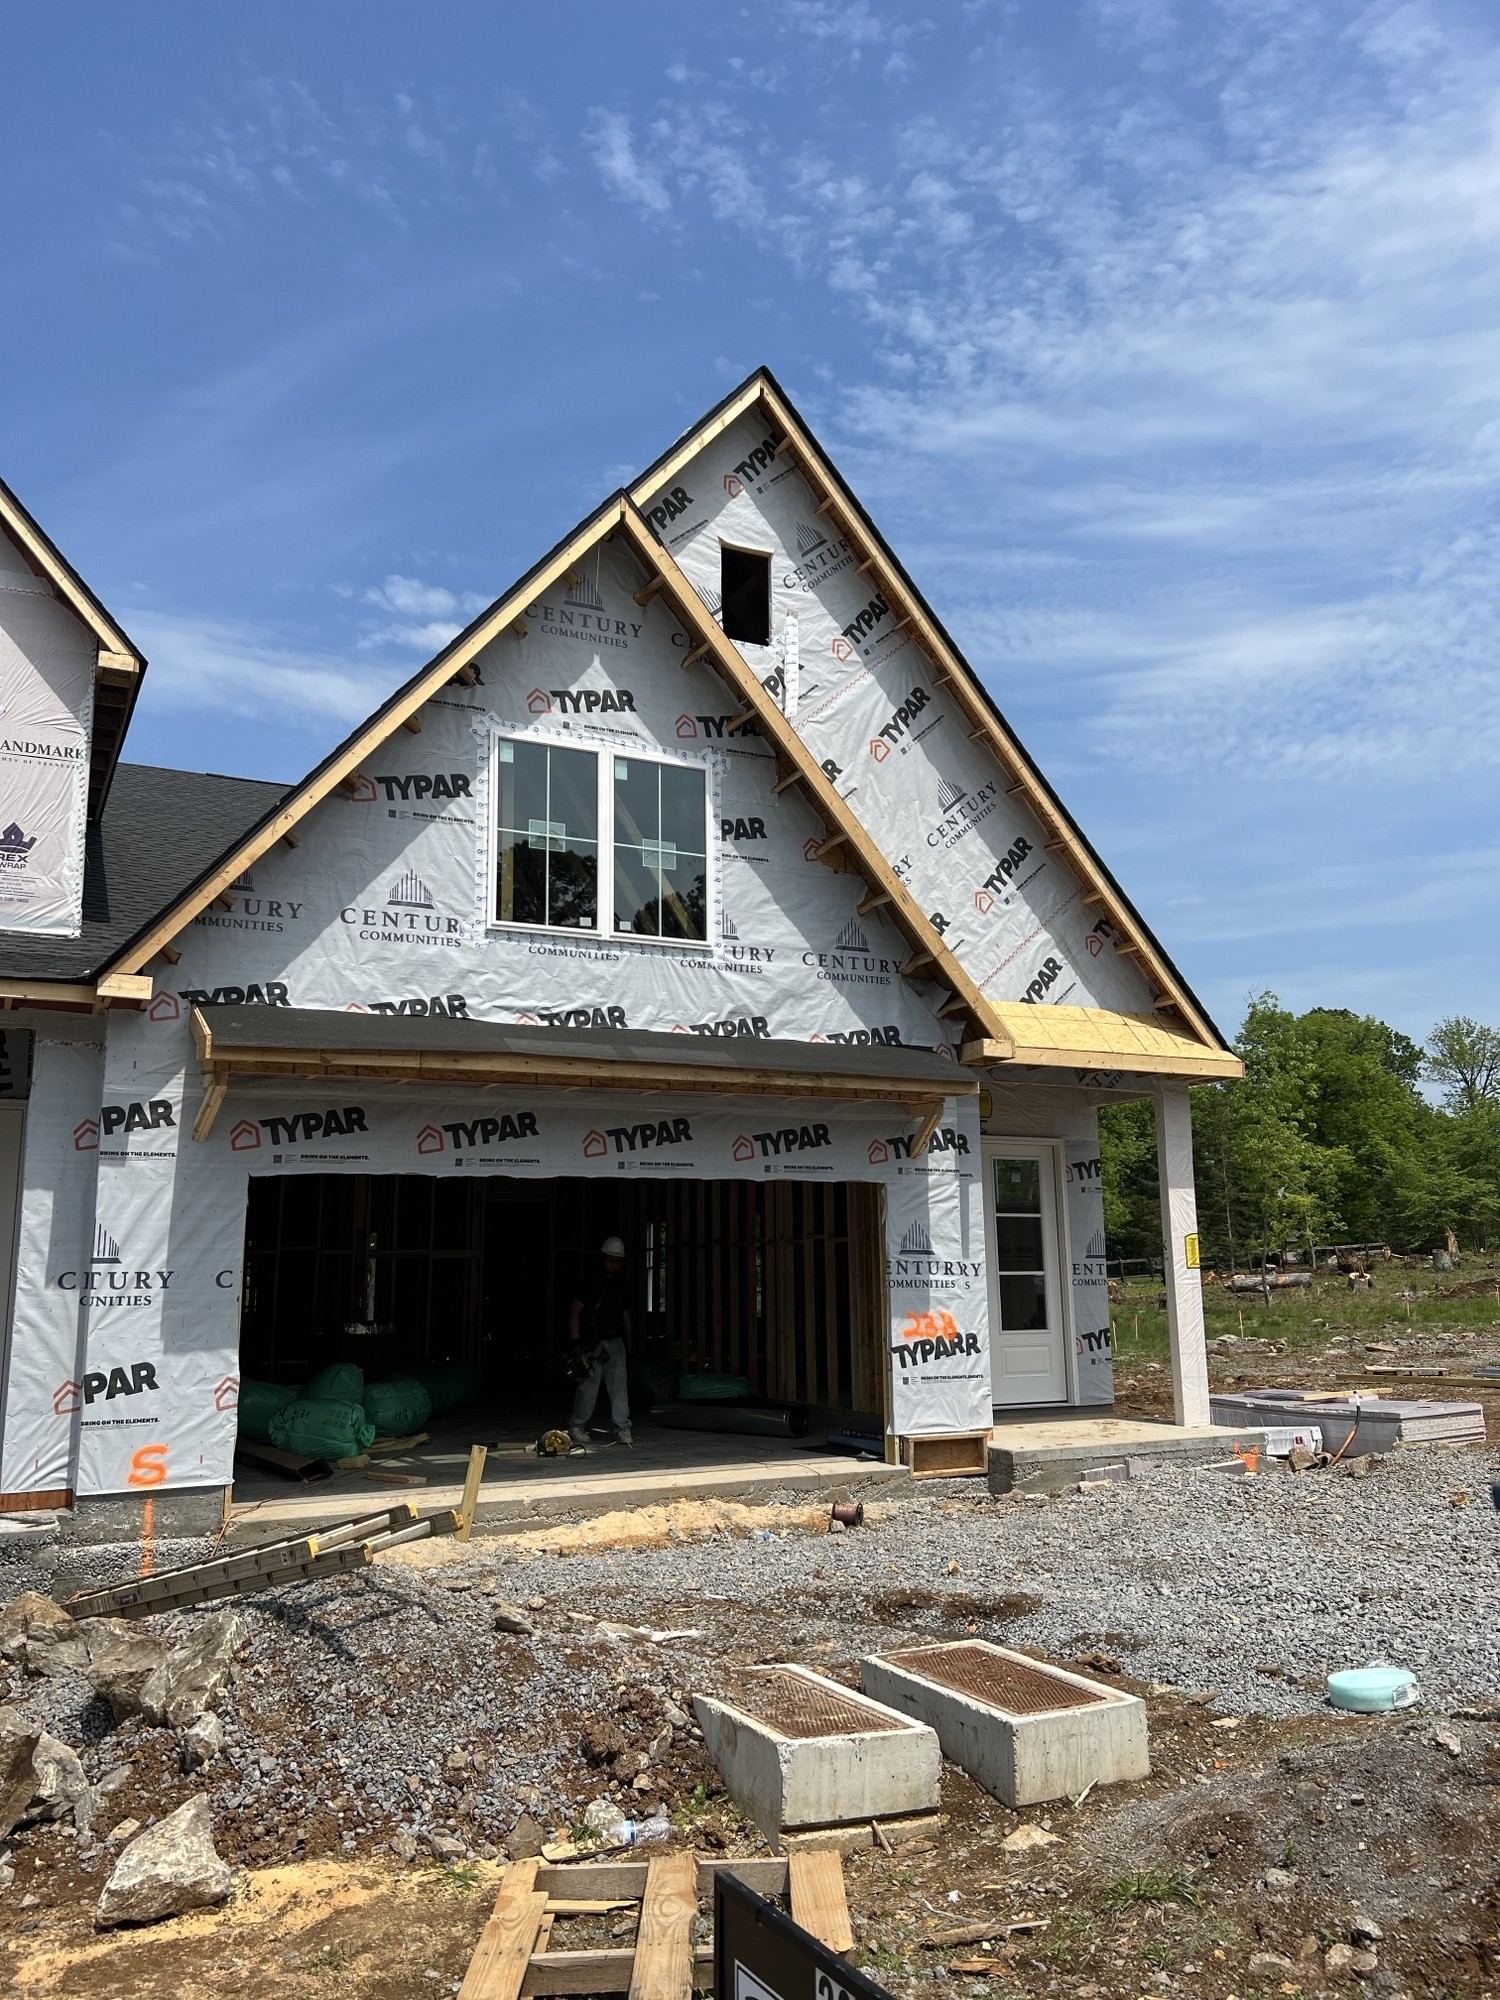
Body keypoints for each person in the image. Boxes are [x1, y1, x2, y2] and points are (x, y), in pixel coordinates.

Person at [569, 1235, 632, 1446]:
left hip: (615, 1340)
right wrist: (576, 1342)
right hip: (592, 1342)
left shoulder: (621, 1285)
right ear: (603, 1258)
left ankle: (623, 1428)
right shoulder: (590, 1282)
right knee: (589, 1385)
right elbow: (575, 1311)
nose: (614, 1264)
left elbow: (625, 1314)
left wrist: (628, 1339)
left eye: (617, 1260)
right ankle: (577, 1425)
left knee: (619, 1385)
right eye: (610, 1259)